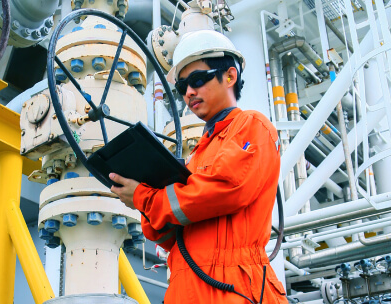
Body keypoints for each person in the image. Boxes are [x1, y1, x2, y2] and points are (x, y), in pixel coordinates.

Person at [109, 30, 288, 304]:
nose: (189, 92)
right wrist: (144, 201)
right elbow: (174, 237)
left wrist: (146, 198)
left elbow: (226, 188)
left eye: (197, 80)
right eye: (182, 87)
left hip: (233, 288)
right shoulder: (196, 157)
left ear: (229, 76)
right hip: (186, 288)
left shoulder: (252, 126)